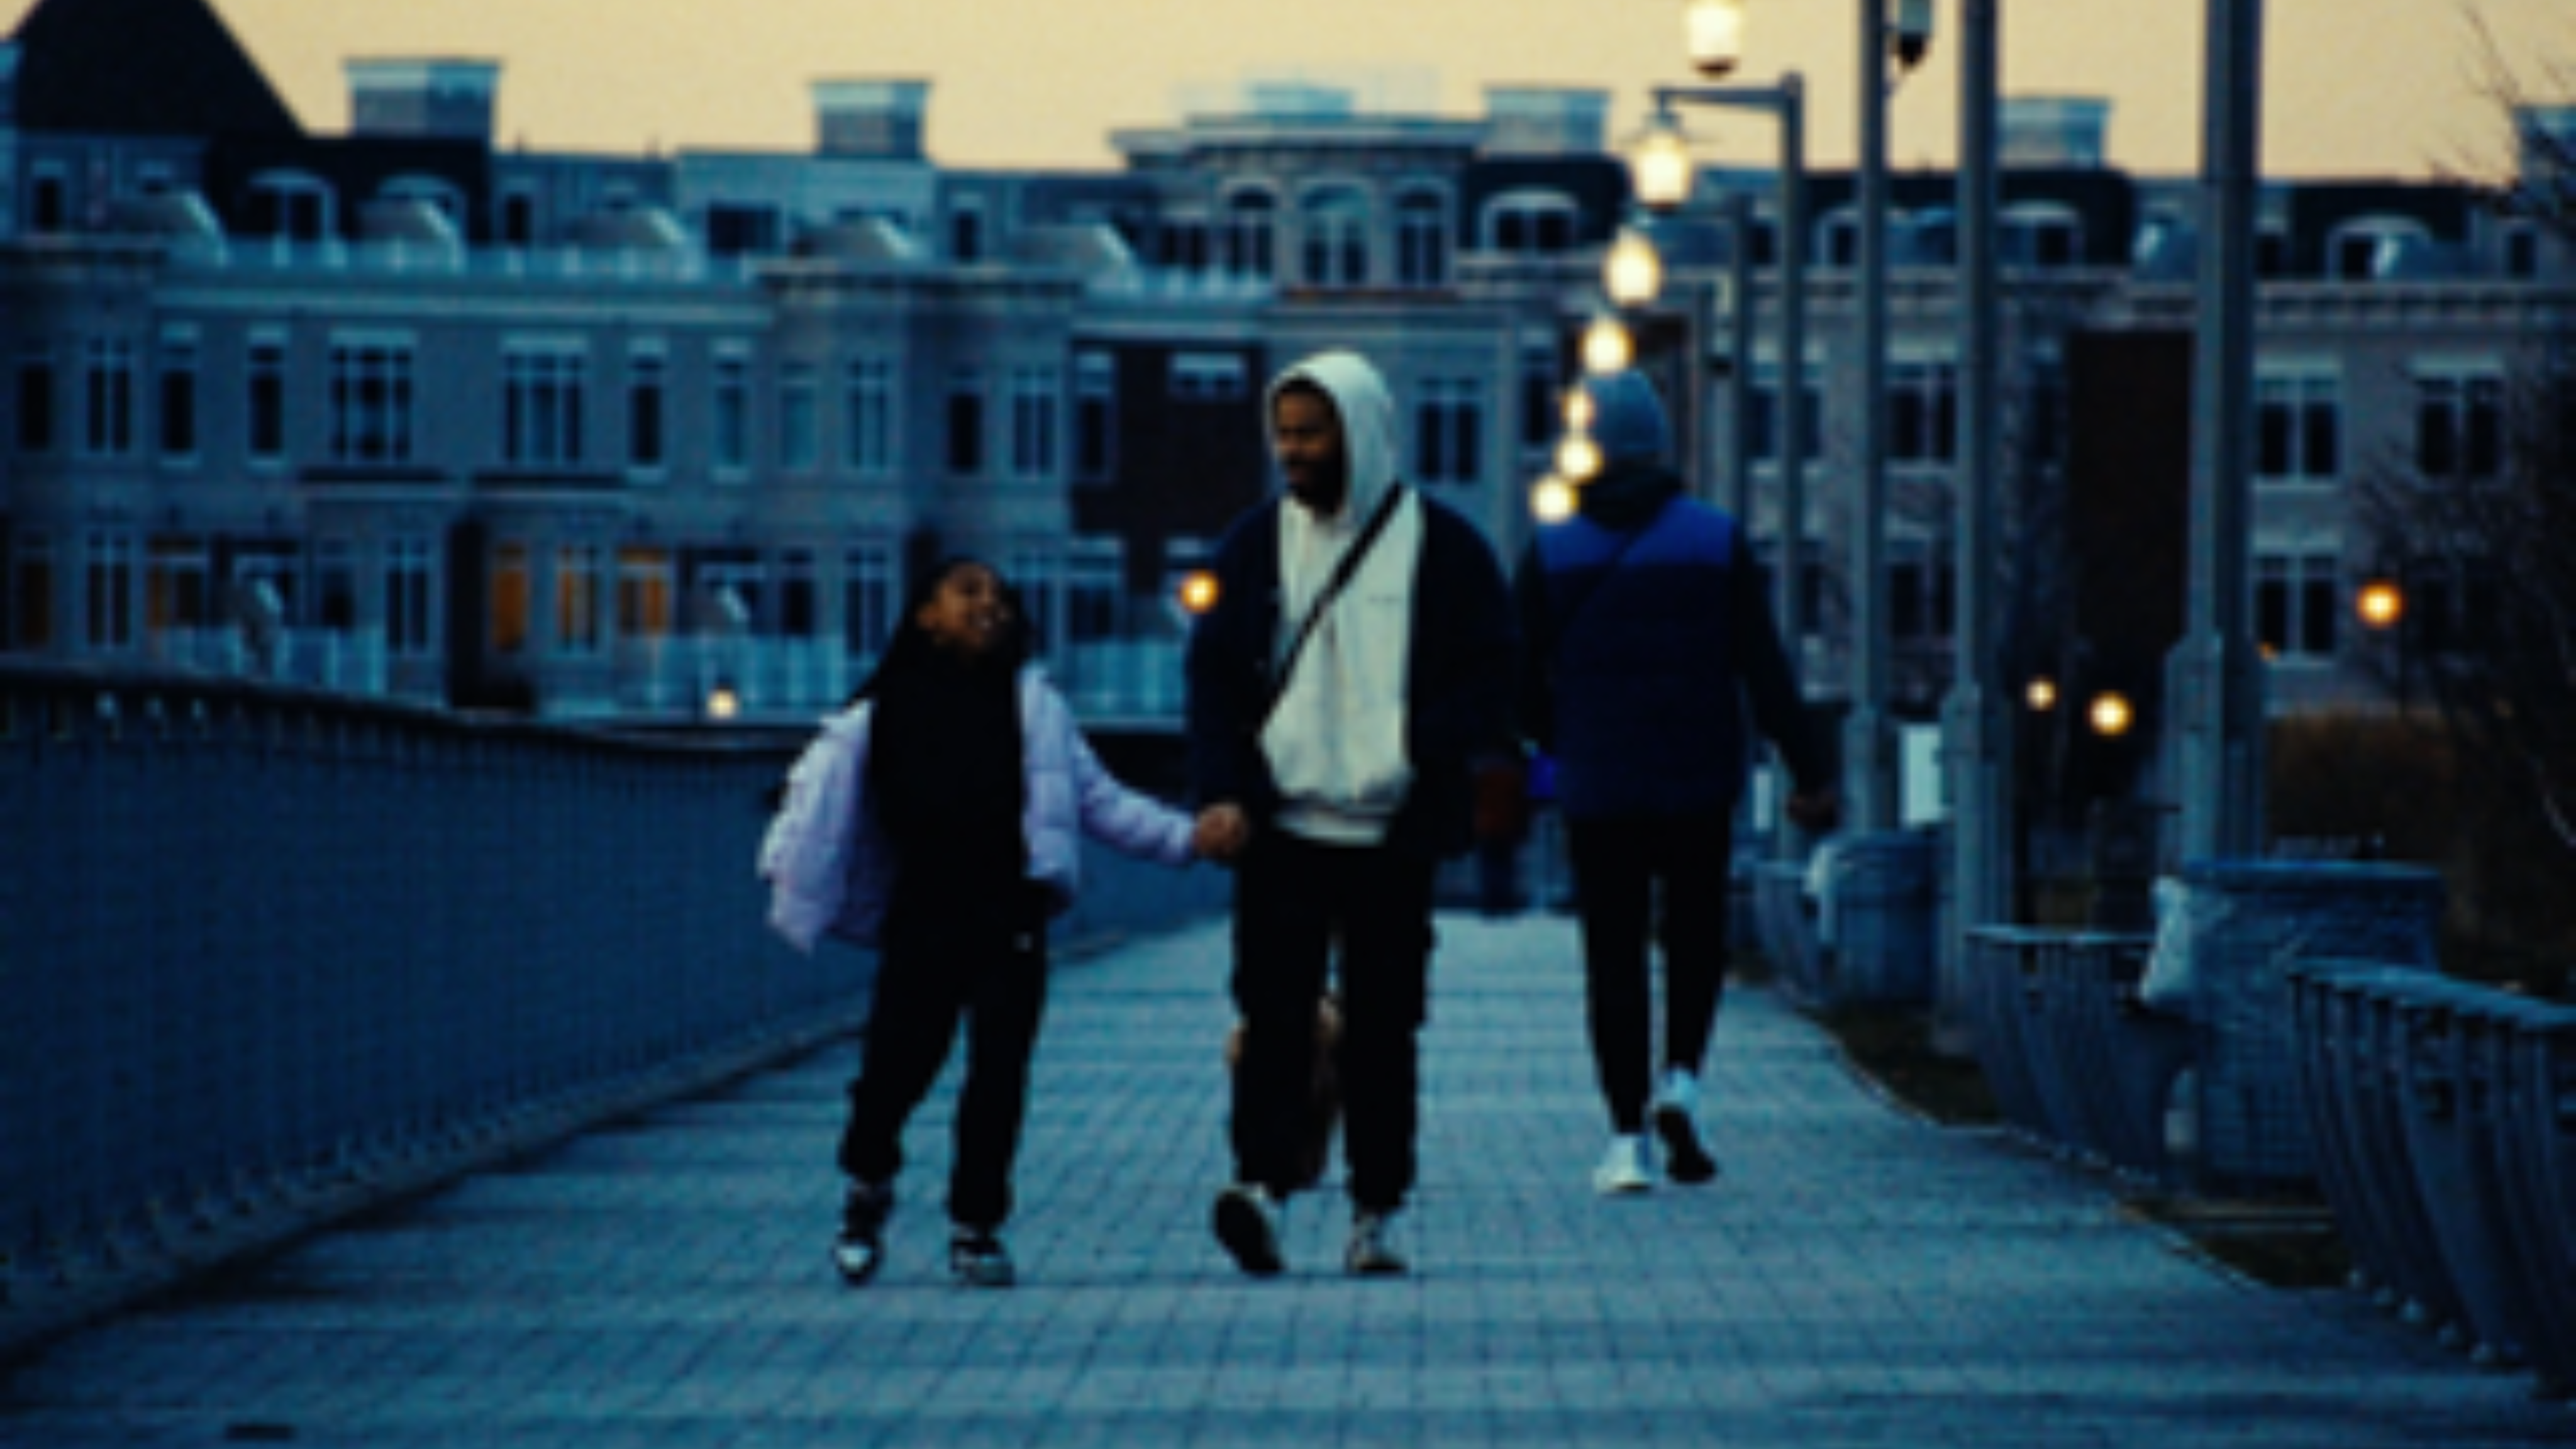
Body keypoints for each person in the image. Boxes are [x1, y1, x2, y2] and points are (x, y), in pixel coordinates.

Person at [760, 555, 1203, 1288]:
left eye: (999, 597)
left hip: (1009, 914)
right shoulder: (880, 713)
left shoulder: (1035, 708)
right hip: (923, 915)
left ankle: (976, 1227)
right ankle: (867, 1186)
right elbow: (814, 806)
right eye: (967, 593)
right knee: (894, 1073)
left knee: (997, 1075)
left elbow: (1101, 802)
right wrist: (784, 866)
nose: (988, 606)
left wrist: (1189, 840)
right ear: (927, 615)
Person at [1185, 349, 1514, 1278]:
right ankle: (1260, 1187)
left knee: (1383, 1029)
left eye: (1311, 433)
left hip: (1390, 835)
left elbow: (1500, 677)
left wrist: (1413, 741)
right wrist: (1219, 791)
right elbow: (1213, 681)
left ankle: (1377, 1208)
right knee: (1272, 1020)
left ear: (1359, 433)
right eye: (1283, 434)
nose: (1292, 452)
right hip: (1281, 829)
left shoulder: (1445, 549)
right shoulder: (1256, 543)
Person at [1514, 369, 1840, 1196]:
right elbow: (1763, 665)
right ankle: (1682, 1084)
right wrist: (1809, 769)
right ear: (1660, 445)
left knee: (1613, 957)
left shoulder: (1552, 549)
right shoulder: (1715, 539)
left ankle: (1626, 1140)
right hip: (1698, 778)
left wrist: (1565, 738)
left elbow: (1514, 678)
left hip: (1600, 786)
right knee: (1694, 941)